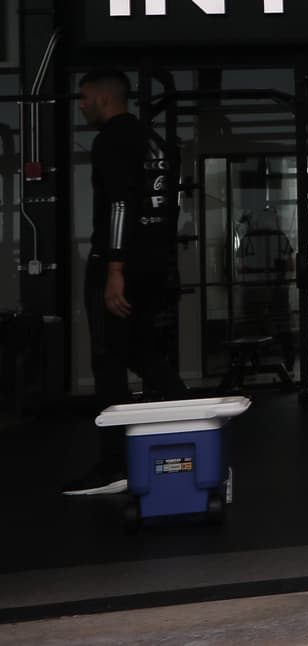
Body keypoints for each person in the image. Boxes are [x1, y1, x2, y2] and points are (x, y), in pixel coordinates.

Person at [62, 69, 188, 496]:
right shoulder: (157, 143)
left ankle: (114, 465)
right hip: (152, 267)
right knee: (141, 351)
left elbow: (118, 206)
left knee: (108, 361)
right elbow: (166, 210)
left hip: (118, 269)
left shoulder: (113, 139)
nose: (80, 105)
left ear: (101, 97)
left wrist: (114, 271)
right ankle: (196, 427)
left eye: (84, 97)